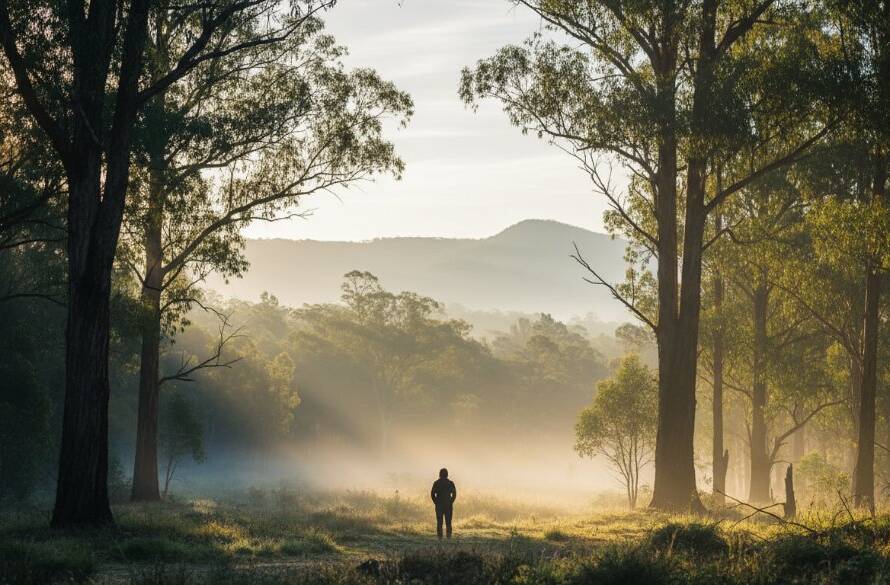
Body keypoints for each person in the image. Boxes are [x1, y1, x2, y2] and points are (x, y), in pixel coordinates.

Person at [430, 468, 457, 539]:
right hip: (448, 505)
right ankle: (449, 536)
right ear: (447, 474)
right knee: (448, 522)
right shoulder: (450, 483)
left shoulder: (436, 483)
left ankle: (440, 537)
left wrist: (436, 502)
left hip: (439, 505)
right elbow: (454, 494)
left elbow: (432, 494)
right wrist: (451, 502)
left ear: (440, 474)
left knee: (439, 522)